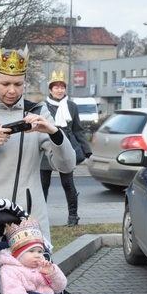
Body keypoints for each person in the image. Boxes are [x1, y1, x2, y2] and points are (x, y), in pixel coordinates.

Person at [0, 46, 76, 239]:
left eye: (18, 84)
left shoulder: (38, 112)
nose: (12, 90)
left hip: (28, 216)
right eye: (5, 83)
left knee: (33, 269)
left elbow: (67, 165)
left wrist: (54, 133)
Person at [39, 70, 92, 226]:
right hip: (47, 147)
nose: (59, 90)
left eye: (62, 87)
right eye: (56, 87)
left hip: (65, 148)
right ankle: (40, 217)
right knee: (43, 185)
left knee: (68, 183)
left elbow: (78, 129)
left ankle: (73, 217)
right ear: (50, 89)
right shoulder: (43, 106)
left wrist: (86, 149)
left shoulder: (72, 106)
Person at [0, 218, 67, 294]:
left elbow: (59, 288)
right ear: (18, 255)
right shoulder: (9, 269)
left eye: (40, 251)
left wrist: (52, 273)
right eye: (31, 251)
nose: (37, 255)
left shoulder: (42, 266)